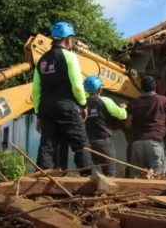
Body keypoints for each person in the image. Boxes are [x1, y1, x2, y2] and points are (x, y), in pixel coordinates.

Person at [32, 21, 92, 174]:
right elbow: (77, 86)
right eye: (71, 39)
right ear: (67, 39)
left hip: (46, 109)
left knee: (47, 145)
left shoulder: (42, 60)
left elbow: (36, 90)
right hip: (67, 108)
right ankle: (88, 178)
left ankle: (42, 178)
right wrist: (83, 105)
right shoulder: (69, 56)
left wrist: (39, 114)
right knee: (81, 145)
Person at [126, 75, 166, 177]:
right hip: (155, 143)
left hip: (137, 144)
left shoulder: (133, 103)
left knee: (136, 178)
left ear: (141, 87)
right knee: (157, 177)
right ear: (155, 86)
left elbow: (128, 124)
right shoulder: (164, 100)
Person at [84, 76, 127, 176]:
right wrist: (123, 108)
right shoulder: (106, 101)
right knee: (109, 174)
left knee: (88, 175)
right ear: (100, 89)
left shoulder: (82, 103)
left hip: (87, 143)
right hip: (104, 143)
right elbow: (122, 115)